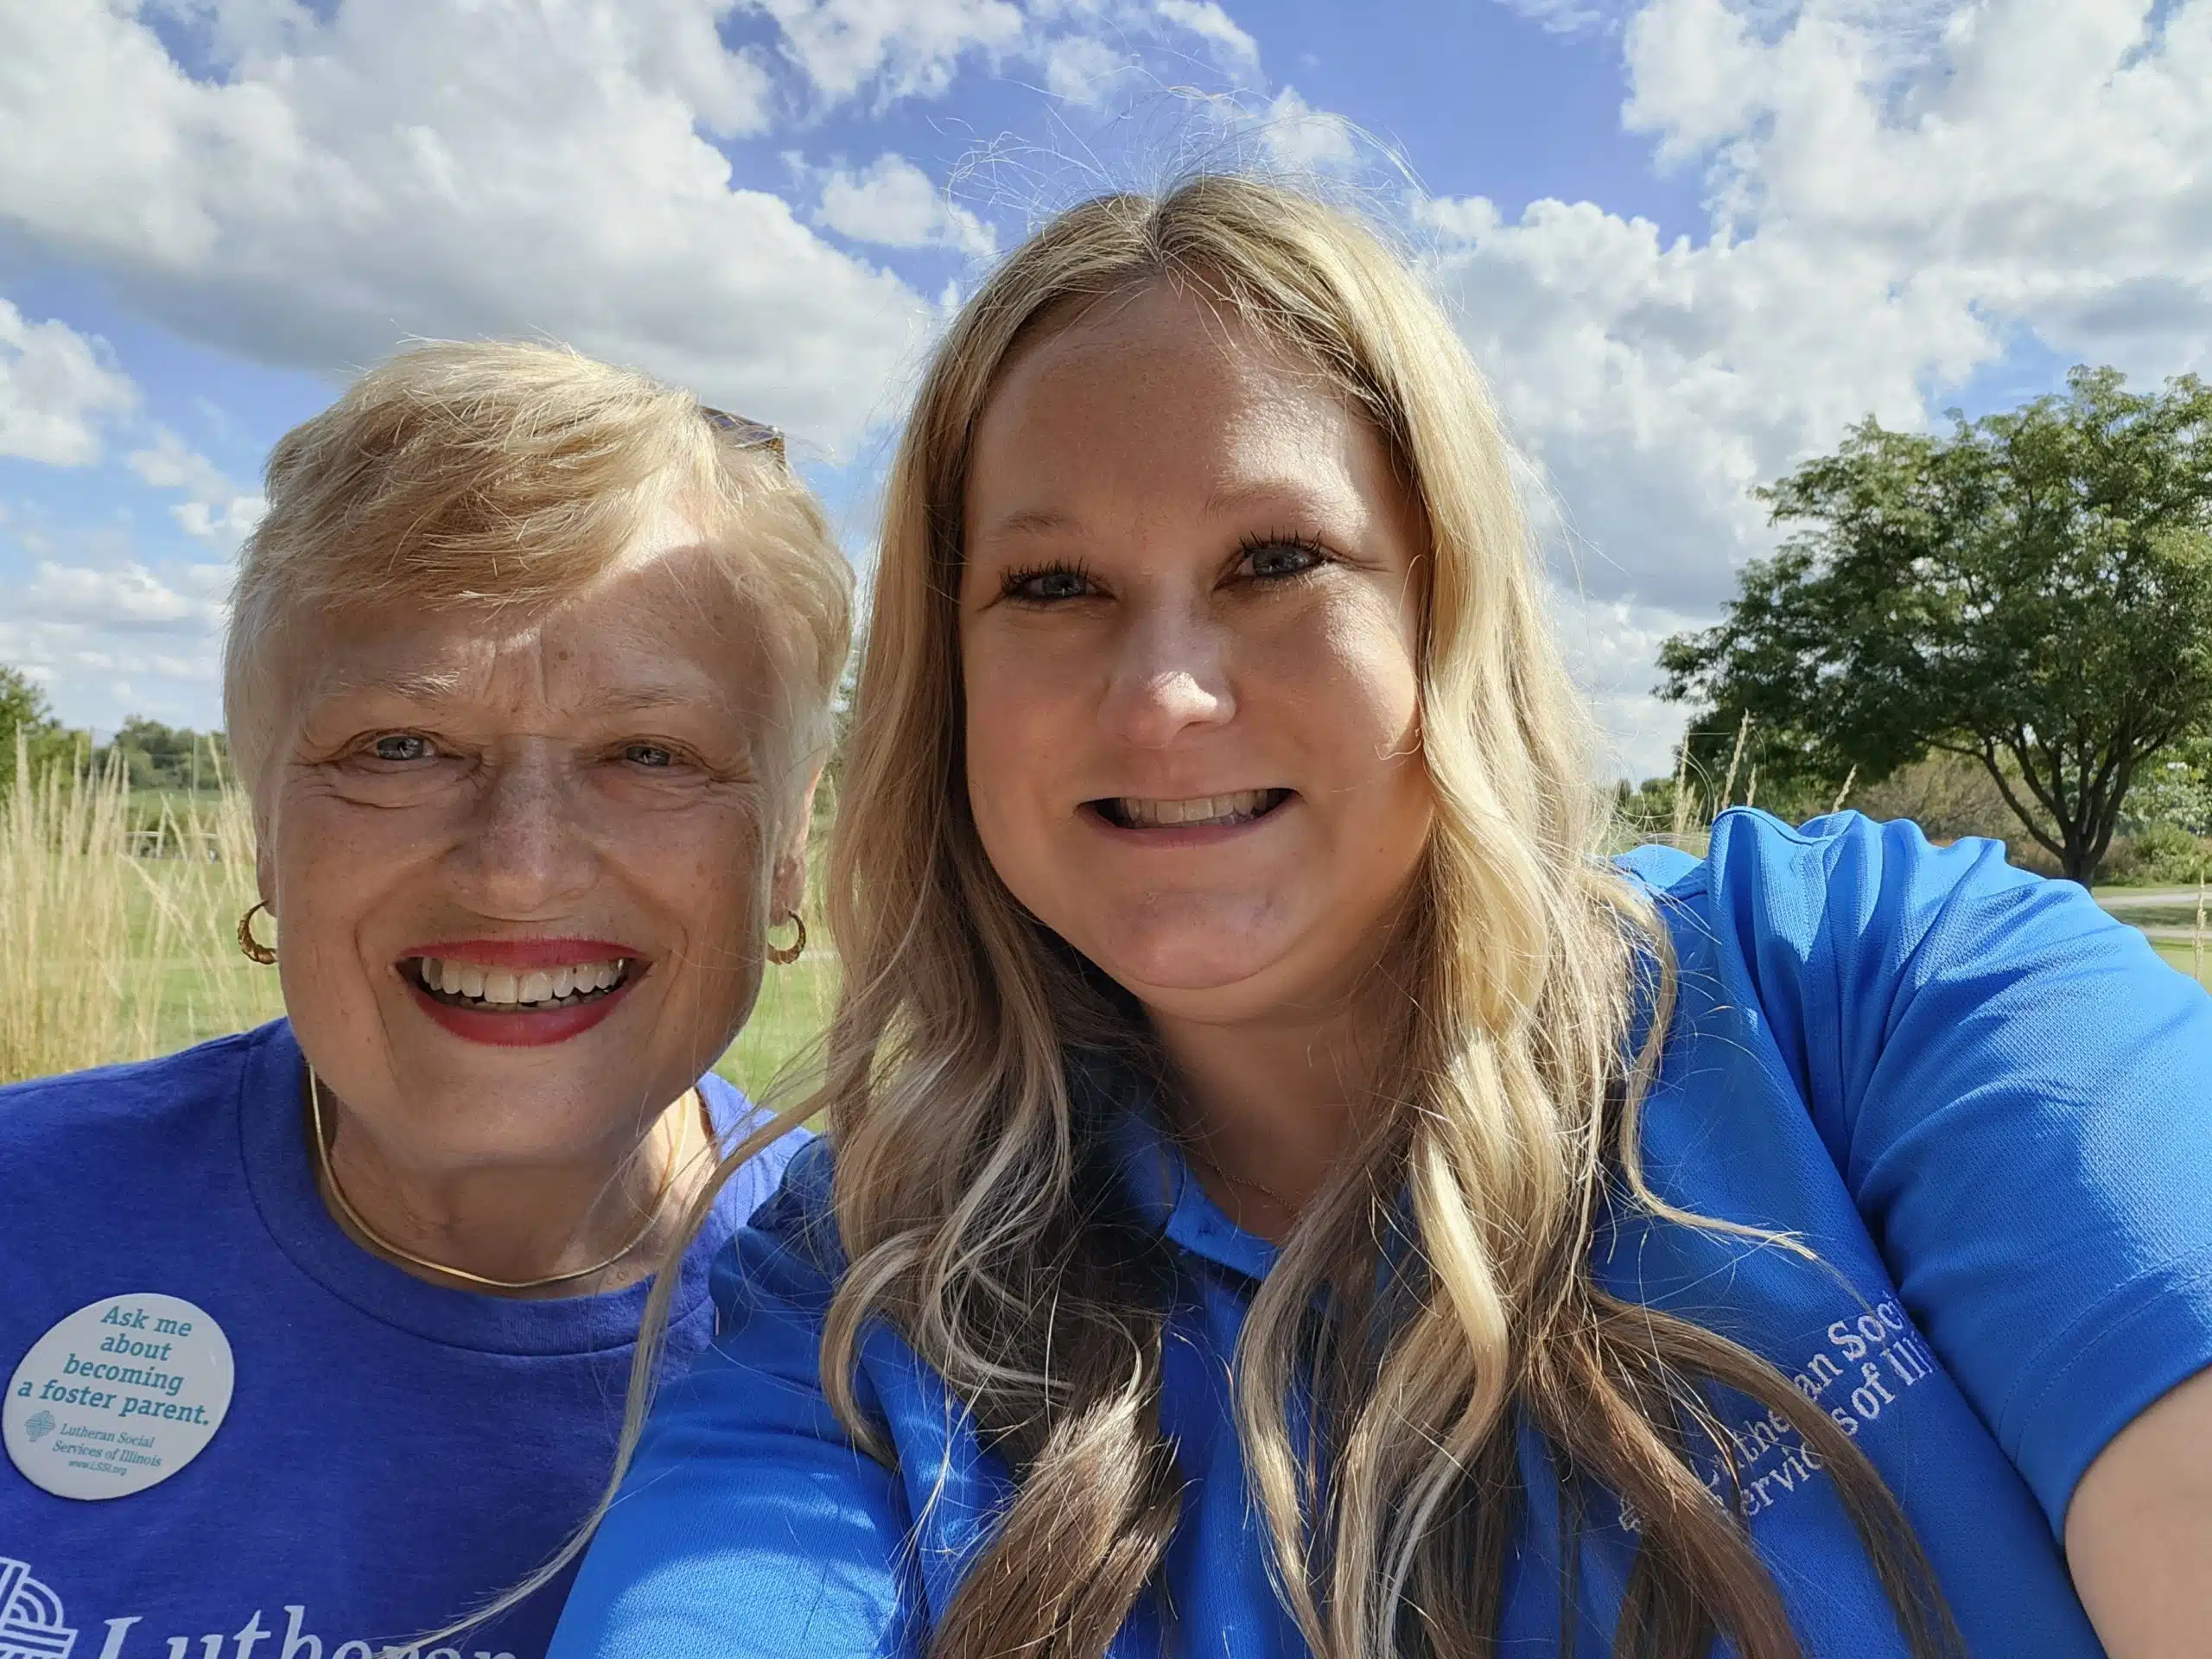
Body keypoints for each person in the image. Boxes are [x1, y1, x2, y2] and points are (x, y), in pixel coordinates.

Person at [547, 180, 2212, 1658]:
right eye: (1053, 586)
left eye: (1277, 560)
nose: (1167, 694)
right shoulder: (861, 1294)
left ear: (1445, 605)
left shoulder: (1877, 987)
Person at [0, 343, 844, 1656]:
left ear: (785, 849)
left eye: (649, 753)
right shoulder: (25, 1217)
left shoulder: (903, 1335)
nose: (519, 867)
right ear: (264, 829)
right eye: (400, 747)